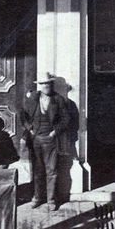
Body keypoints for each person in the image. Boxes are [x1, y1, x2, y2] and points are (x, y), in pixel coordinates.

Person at [26, 75, 71, 208]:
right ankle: (37, 198)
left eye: (48, 84)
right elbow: (23, 115)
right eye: (43, 84)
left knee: (51, 170)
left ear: (52, 85)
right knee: (37, 169)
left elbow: (66, 119)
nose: (45, 86)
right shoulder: (33, 98)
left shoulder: (58, 100)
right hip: (36, 139)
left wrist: (54, 132)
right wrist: (30, 129)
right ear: (39, 85)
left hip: (51, 140)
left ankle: (51, 200)